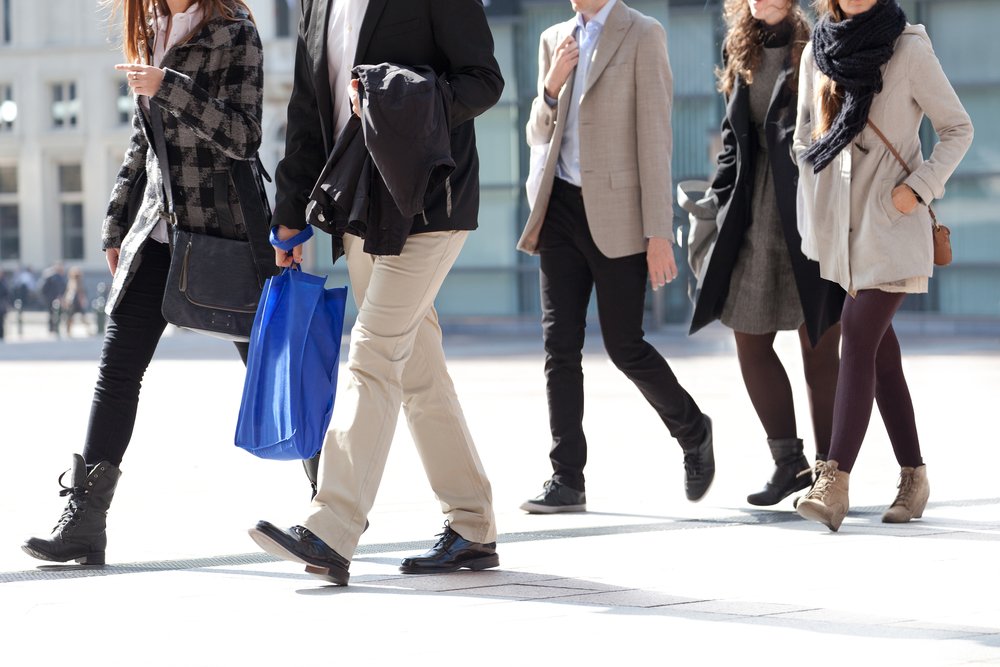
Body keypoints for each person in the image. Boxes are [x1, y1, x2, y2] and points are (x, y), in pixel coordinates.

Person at [248, 0, 504, 586]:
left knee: (373, 352)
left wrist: (401, 97)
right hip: (362, 207)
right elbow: (309, 111)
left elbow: (483, 81)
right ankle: (472, 525)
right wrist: (289, 218)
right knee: (419, 371)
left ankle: (332, 527)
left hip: (430, 204)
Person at [22, 0, 265, 566]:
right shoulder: (150, 30)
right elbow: (142, 145)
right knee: (118, 368)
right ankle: (84, 521)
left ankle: (329, 504)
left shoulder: (236, 31)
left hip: (223, 234)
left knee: (268, 368)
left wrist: (169, 84)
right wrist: (115, 221)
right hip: (156, 229)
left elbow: (244, 137)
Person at [516, 0, 714, 514]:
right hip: (559, 208)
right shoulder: (554, 38)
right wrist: (551, 87)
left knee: (625, 346)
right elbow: (538, 132)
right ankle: (567, 479)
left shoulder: (642, 34)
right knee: (559, 346)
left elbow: (656, 139)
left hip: (620, 214)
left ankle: (693, 431)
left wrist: (658, 233)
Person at [793, 0, 972, 531]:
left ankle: (834, 479)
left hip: (893, 226)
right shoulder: (818, 50)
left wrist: (916, 191)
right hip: (843, 232)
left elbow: (958, 129)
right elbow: (805, 134)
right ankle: (914, 476)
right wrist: (811, 172)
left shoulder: (908, 47)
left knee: (856, 332)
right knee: (880, 354)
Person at [687, 0, 844, 507]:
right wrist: (715, 199)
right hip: (752, 220)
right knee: (750, 342)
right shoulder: (741, 49)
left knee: (819, 349)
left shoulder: (819, 46)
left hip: (808, 215)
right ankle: (788, 463)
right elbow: (735, 139)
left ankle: (830, 474)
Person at [62, 267, 90, 337]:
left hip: (74, 301)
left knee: (73, 317)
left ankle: (69, 331)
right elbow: (79, 293)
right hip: (74, 301)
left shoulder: (75, 282)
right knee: (73, 317)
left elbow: (79, 292)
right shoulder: (73, 282)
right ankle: (68, 331)